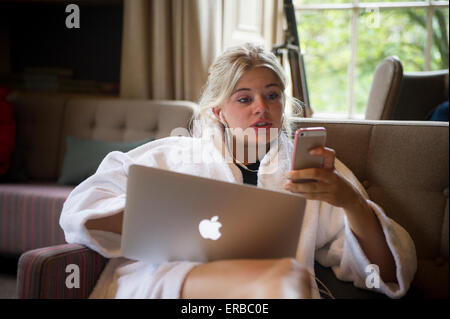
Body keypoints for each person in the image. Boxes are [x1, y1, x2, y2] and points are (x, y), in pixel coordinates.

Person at [59, 43, 417, 299]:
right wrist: (166, 217)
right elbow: (81, 211)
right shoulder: (172, 155)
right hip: (179, 285)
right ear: (218, 112)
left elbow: (383, 274)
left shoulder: (315, 171)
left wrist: (352, 201)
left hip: (271, 293)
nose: (261, 108)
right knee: (287, 279)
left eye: (272, 95)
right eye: (244, 99)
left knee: (286, 280)